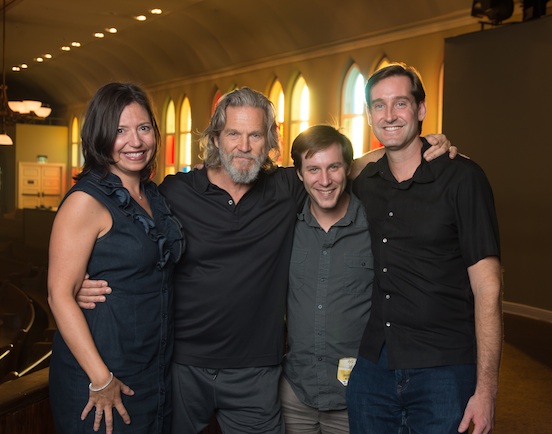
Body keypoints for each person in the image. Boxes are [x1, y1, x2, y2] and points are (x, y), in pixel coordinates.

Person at [76, 87, 454, 434]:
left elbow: (339, 164)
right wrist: (81, 282)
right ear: (216, 139)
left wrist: (420, 146)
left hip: (256, 372)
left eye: (255, 135)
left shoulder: (286, 187)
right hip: (182, 365)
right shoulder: (176, 192)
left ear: (270, 141)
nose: (244, 146)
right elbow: (131, 239)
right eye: (233, 135)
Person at [346, 63, 503, 434]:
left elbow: (489, 290)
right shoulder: (364, 181)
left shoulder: (464, 178)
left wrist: (487, 392)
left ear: (421, 110)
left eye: (400, 103)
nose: (389, 115)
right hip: (373, 367)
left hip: (444, 369)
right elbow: (330, 169)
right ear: (369, 115)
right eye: (379, 106)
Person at [47, 82, 185, 434]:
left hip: (151, 372)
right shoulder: (85, 201)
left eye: (143, 128)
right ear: (100, 135)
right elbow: (60, 296)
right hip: (101, 380)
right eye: (120, 131)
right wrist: (100, 379)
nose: (135, 142)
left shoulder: (153, 196)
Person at [281, 125, 373, 434]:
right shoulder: (285, 226)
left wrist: (428, 144)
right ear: (299, 174)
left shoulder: (374, 227)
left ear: (349, 168)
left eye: (333, 167)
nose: (324, 180)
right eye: (313, 169)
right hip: (295, 392)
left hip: (357, 395)